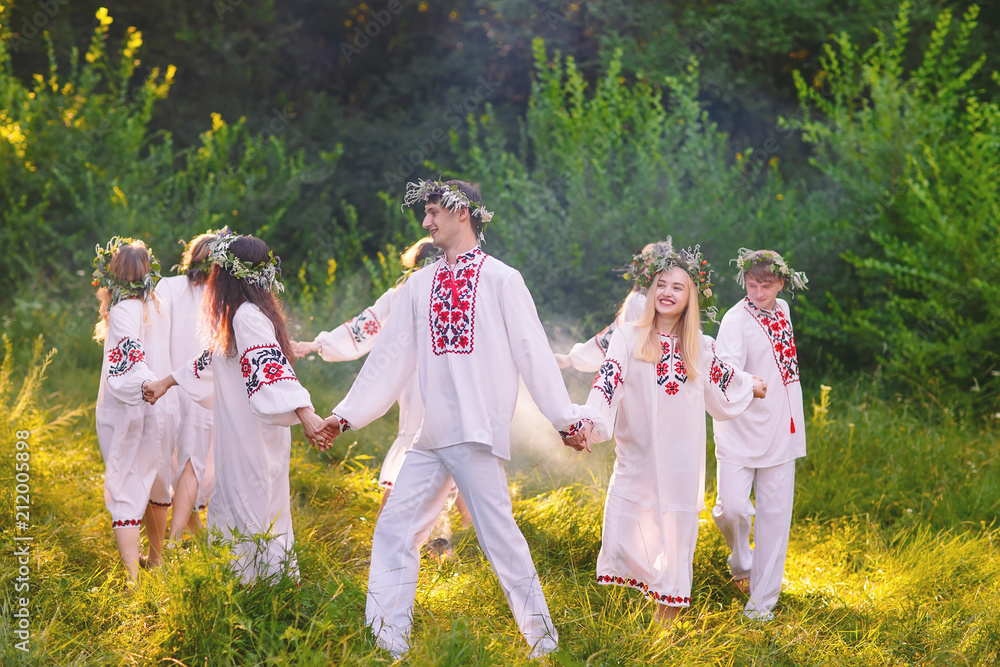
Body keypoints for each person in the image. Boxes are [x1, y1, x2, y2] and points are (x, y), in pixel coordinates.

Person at [318, 179, 593, 659]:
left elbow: (532, 353)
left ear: (462, 212)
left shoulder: (503, 279)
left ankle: (545, 643)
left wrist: (564, 420)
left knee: (499, 540)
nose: (426, 223)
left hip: (476, 433)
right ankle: (388, 643)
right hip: (430, 436)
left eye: (433, 213)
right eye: (425, 214)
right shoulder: (419, 285)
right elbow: (391, 356)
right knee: (393, 532)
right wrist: (345, 416)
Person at [583, 240, 766, 625]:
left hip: (682, 460)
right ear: (650, 290)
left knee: (675, 537)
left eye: (677, 287)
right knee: (623, 535)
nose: (667, 293)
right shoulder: (629, 337)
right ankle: (654, 588)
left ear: (690, 297)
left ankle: (665, 629)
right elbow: (606, 385)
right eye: (661, 285)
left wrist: (751, 385)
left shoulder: (700, 346)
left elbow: (725, 385)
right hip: (637, 456)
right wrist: (588, 423)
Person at [143, 232, 335, 583]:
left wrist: (307, 417)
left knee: (252, 507)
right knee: (240, 504)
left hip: (253, 436)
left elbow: (270, 367)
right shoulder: (245, 314)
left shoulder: (247, 317)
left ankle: (261, 588)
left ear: (226, 274)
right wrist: (164, 383)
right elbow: (210, 360)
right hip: (243, 432)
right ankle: (248, 585)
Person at [711, 248, 808, 621]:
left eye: (766, 285)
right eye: (751, 284)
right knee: (732, 508)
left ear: (781, 284)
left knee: (776, 515)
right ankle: (741, 562)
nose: (757, 292)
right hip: (740, 426)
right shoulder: (735, 320)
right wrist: (747, 382)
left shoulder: (783, 311)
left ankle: (761, 604)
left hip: (783, 426)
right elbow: (726, 367)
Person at [91, 236, 174, 583]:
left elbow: (132, 358)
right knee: (157, 484)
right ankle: (155, 560)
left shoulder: (123, 311)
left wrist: (143, 387)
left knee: (124, 488)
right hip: (163, 407)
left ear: (112, 274)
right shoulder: (158, 305)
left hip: (132, 408)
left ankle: (132, 580)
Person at [154, 231, 219, 541]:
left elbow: (151, 327)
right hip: (201, 389)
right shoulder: (220, 299)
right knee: (193, 463)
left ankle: (192, 531)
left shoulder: (168, 287)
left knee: (178, 461)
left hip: (167, 386)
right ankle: (175, 540)